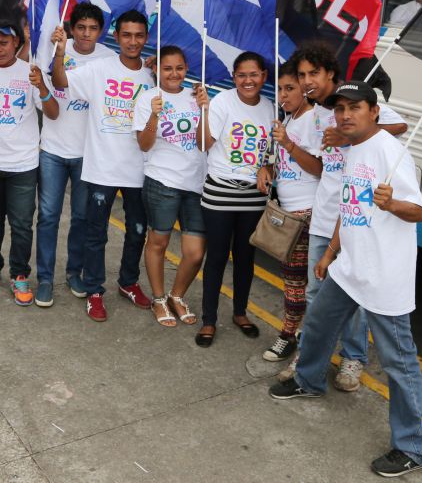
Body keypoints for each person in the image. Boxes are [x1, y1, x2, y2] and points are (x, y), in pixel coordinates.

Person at [269, 82, 422, 478]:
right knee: (321, 323)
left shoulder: (391, 152)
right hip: (349, 265)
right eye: (340, 108)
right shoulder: (352, 149)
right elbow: (350, 204)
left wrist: (392, 203)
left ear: (374, 111)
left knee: (399, 361)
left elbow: (418, 212)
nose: (345, 115)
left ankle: (412, 447)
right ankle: (308, 380)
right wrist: (330, 252)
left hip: (382, 275)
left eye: (354, 107)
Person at [277, 41, 408, 390]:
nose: (307, 81)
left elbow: (401, 126)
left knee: (355, 299)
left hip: (357, 222)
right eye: (302, 74)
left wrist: (351, 134)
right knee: (316, 296)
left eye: (313, 74)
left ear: (330, 73)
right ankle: (308, 357)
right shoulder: (314, 111)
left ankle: (353, 360)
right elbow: (316, 165)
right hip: (324, 220)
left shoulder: (353, 105)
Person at [50, 10, 154, 322]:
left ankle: (128, 282)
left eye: (138, 36)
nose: (133, 41)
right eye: (127, 35)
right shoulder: (99, 69)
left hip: (138, 170)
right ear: (117, 37)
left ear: (146, 38)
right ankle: (94, 289)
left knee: (137, 232)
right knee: (96, 234)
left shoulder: (151, 77)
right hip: (101, 169)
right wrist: (59, 53)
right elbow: (60, 81)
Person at [0, 25, 59, 305]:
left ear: (16, 42)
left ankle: (19, 274)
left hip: (22, 164)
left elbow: (52, 112)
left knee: (21, 224)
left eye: (4, 42)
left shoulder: (30, 71)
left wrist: (41, 85)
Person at [35, 3, 115, 308]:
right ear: (72, 28)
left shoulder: (108, 57)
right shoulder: (56, 46)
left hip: (88, 154)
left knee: (81, 218)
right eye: (81, 27)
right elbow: (46, 81)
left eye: (93, 28)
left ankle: (73, 272)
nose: (86, 34)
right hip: (53, 150)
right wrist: (54, 50)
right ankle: (44, 278)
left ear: (100, 31)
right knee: (48, 216)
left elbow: (132, 72)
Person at [194, 51, 271, 347]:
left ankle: (240, 313)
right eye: (242, 75)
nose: (248, 80)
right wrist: (203, 112)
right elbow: (203, 144)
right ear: (234, 77)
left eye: (254, 74)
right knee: (216, 257)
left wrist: (267, 165)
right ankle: (209, 320)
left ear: (264, 76)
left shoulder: (270, 107)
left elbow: (271, 152)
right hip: (220, 192)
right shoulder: (223, 102)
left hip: (254, 196)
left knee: (245, 257)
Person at [134, 46, 207, 327]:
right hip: (162, 181)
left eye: (179, 68)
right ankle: (159, 298)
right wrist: (154, 115)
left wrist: (205, 108)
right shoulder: (148, 99)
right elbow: (143, 144)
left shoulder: (196, 97)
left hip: (196, 183)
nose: (173, 74)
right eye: (167, 68)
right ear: (157, 70)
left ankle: (177, 295)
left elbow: (205, 142)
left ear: (186, 68)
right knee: (158, 242)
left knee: (195, 252)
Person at [254, 61, 321, 362]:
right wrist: (266, 167)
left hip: (307, 214)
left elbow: (319, 169)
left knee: (303, 285)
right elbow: (280, 161)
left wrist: (290, 145)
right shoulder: (289, 119)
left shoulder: (314, 119)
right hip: (288, 211)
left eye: (290, 88)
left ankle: (292, 338)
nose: (283, 94)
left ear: (306, 89)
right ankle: (294, 336)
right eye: (280, 89)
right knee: (293, 281)